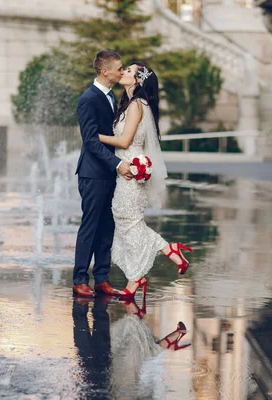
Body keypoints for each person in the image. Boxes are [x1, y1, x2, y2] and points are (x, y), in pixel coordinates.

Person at [97, 62, 193, 297]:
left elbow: (124, 141)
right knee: (127, 221)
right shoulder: (130, 104)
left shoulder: (137, 106)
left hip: (130, 171)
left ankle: (136, 279)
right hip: (126, 170)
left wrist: (95, 136)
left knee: (128, 220)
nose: (123, 72)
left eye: (128, 71)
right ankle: (165, 253)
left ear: (138, 80)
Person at [73, 50, 133, 298]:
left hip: (108, 173)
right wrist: (117, 164)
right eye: (119, 68)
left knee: (107, 226)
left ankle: (102, 279)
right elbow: (90, 140)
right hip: (93, 173)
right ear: (104, 71)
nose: (122, 71)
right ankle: (79, 280)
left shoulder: (111, 96)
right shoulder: (88, 98)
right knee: (90, 226)